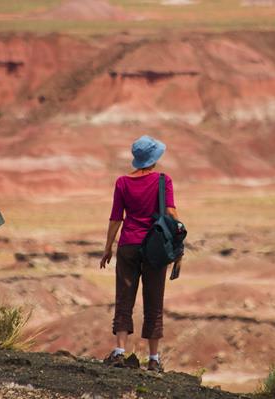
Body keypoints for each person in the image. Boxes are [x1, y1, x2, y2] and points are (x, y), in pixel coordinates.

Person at [100, 135, 182, 372]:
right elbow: (171, 211)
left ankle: (119, 352)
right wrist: (179, 240)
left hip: (127, 246)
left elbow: (116, 218)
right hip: (155, 247)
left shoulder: (122, 183)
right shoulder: (163, 181)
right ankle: (154, 359)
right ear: (154, 158)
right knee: (154, 301)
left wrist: (108, 247)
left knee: (124, 298)